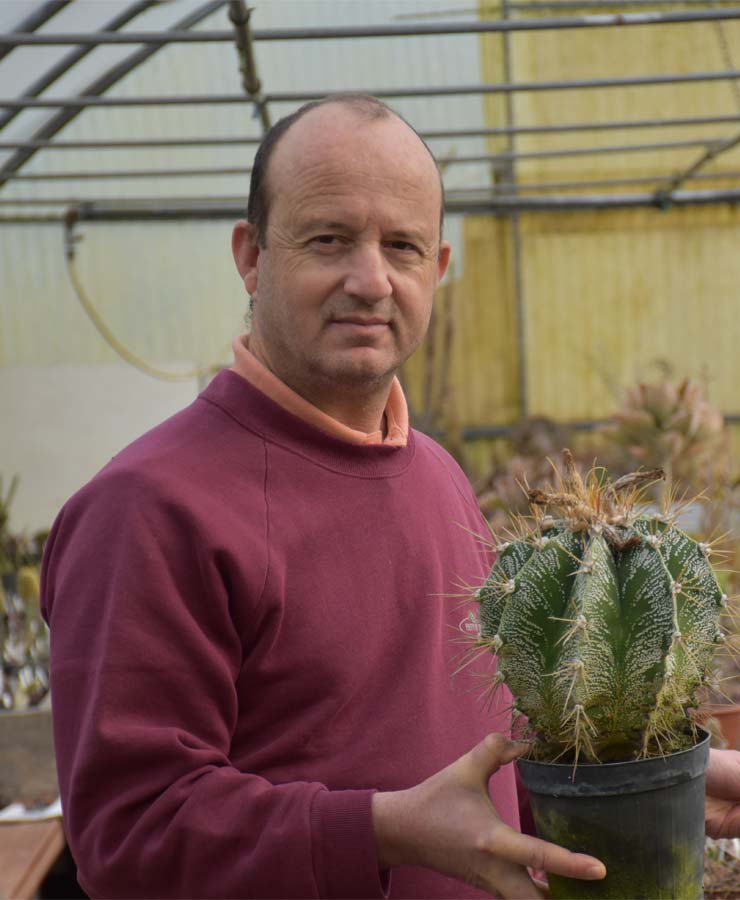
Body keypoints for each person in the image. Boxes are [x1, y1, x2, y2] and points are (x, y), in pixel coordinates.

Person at [39, 93, 737, 900]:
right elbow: (129, 837)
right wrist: (380, 830)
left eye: (401, 246)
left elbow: (501, 745)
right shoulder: (146, 511)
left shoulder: (436, 475)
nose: (369, 280)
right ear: (251, 255)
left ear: (436, 270)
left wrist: (660, 779)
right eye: (329, 238)